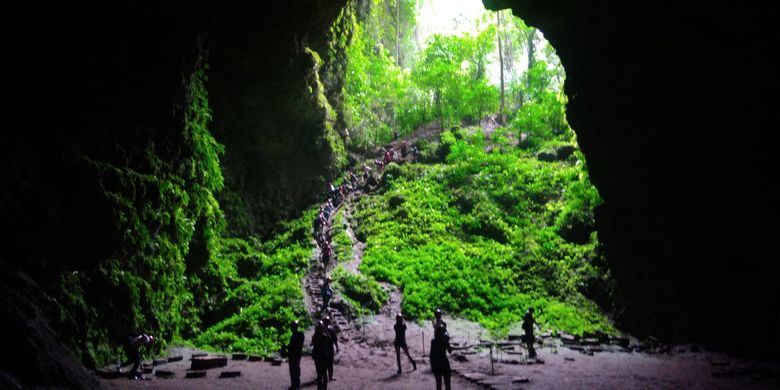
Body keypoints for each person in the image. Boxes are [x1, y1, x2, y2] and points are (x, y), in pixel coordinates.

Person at [430, 323, 452, 390]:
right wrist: (446, 341)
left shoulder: (434, 341)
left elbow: (431, 355)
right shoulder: (436, 342)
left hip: (438, 362)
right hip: (442, 362)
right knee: (444, 383)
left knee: (441, 383)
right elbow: (450, 350)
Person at [310, 320, 331, 390]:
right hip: (321, 356)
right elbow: (329, 338)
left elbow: (312, 344)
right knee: (322, 374)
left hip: (321, 356)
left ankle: (321, 388)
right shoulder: (322, 336)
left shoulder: (318, 336)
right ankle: (322, 388)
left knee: (321, 374)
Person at [287, 320, 304, 390]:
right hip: (297, 355)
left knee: (293, 371)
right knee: (296, 370)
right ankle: (296, 385)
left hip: (293, 355)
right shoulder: (300, 335)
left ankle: (294, 385)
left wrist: (286, 347)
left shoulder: (294, 336)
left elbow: (292, 346)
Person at [322, 316, 340, 381]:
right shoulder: (323, 330)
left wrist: (337, 347)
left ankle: (329, 376)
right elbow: (335, 340)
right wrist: (337, 347)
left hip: (327, 348)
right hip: (326, 349)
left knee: (328, 363)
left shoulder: (330, 330)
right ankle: (328, 376)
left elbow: (335, 339)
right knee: (327, 363)